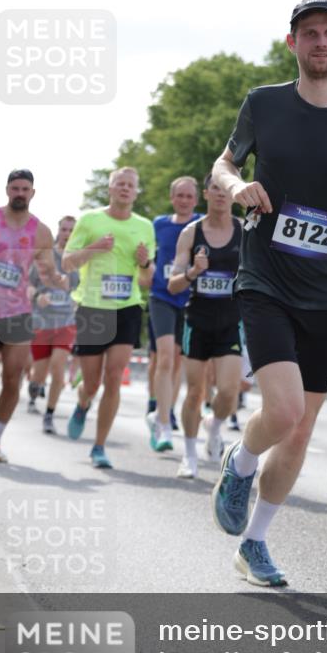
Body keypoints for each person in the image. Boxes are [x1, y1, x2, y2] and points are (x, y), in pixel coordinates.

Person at [210, 0, 327, 587]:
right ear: (292, 43)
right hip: (265, 278)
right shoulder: (264, 102)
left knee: (303, 427)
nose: (319, 42)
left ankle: (254, 543)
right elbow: (222, 164)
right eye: (308, 33)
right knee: (281, 411)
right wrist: (236, 186)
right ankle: (240, 461)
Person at [0, 170, 67, 462]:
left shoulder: (41, 231)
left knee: (13, 379)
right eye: (15, 188)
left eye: (25, 188)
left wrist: (56, 280)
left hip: (18, 313)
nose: (20, 193)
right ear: (7, 190)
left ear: (33, 193)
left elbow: (46, 270)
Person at [62, 167, 155, 468]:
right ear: (110, 189)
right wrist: (94, 247)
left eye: (130, 185)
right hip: (92, 307)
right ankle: (82, 403)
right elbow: (66, 262)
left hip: (127, 307)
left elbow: (146, 280)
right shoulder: (90, 220)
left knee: (114, 377)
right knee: (91, 383)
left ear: (136, 192)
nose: (125, 189)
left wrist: (145, 263)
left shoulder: (145, 226)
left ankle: (99, 446)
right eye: (120, 184)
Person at [168, 174, 243, 478]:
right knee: (195, 391)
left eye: (227, 189)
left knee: (228, 392)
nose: (222, 194)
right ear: (207, 194)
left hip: (230, 320)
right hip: (197, 319)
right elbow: (172, 285)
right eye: (216, 188)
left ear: (233, 195)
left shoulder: (245, 231)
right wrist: (193, 272)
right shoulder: (190, 233)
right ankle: (188, 454)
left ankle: (214, 425)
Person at [148, 176, 200, 452]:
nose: (183, 200)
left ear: (196, 199)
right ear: (172, 198)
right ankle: (162, 420)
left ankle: (162, 410)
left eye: (189, 196)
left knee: (177, 362)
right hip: (162, 296)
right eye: (179, 195)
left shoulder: (201, 225)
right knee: (165, 358)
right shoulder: (159, 224)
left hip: (190, 299)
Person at [27, 215, 79, 434]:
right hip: (42, 322)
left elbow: (85, 288)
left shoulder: (78, 261)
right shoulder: (44, 257)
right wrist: (38, 296)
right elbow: (28, 286)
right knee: (39, 372)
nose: (67, 234)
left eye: (72, 231)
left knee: (58, 368)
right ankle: (33, 390)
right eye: (64, 229)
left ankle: (49, 414)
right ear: (59, 230)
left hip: (66, 322)